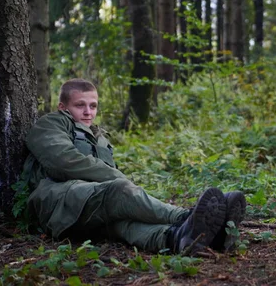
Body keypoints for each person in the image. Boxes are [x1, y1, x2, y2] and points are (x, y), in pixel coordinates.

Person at [22, 78, 246, 254]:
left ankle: (184, 238)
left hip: (89, 207)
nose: (88, 111)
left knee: (124, 225)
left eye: (93, 106)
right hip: (59, 203)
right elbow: (63, 160)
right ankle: (186, 217)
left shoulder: (100, 137)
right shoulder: (51, 123)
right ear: (63, 107)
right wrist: (118, 177)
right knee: (120, 190)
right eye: (80, 105)